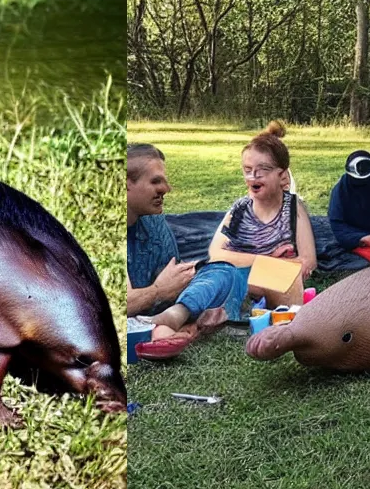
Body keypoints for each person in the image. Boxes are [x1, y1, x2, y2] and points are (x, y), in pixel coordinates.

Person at [126, 143, 237, 346]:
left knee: (224, 271)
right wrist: (159, 291)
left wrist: (185, 298)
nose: (166, 189)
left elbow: (176, 281)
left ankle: (173, 318)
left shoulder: (154, 220)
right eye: (155, 181)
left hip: (154, 311)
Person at [207, 121, 318, 308]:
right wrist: (271, 261)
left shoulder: (293, 208)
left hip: (275, 281)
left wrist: (243, 261)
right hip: (248, 277)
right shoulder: (240, 209)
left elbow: (308, 263)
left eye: (262, 171)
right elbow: (215, 253)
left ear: (283, 176)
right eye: (247, 170)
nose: (253, 177)